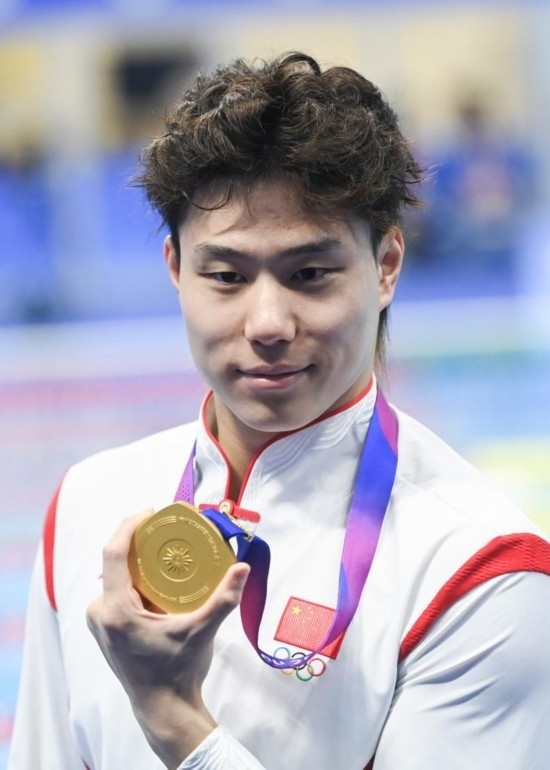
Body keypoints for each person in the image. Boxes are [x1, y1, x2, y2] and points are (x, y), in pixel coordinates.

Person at [9, 52, 550, 770]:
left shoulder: (477, 568)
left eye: (310, 274)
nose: (267, 322)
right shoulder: (87, 503)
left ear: (386, 266)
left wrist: (174, 719)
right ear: (175, 269)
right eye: (226, 276)